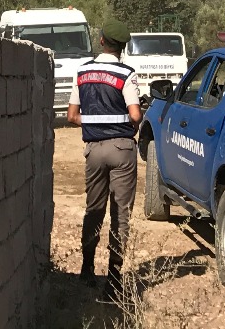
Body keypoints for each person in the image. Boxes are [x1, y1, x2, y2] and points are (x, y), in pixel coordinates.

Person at [67, 19, 142, 297]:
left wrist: (95, 124)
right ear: (122, 47)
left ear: (100, 41)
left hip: (94, 150)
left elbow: (72, 116)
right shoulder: (127, 74)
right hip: (122, 150)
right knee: (120, 213)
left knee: (94, 209)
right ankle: (113, 277)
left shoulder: (83, 72)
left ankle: (86, 269)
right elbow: (134, 114)